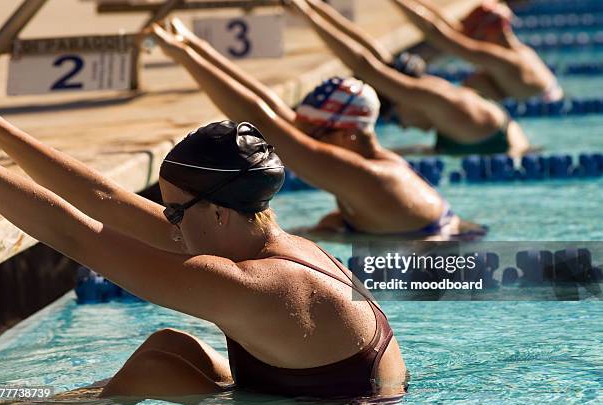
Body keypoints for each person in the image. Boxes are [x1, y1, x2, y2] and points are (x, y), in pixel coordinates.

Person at [0, 113, 408, 400]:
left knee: (154, 372)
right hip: (313, 393)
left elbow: (76, 237)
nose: (169, 222)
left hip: (332, 403)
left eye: (174, 211)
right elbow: (107, 199)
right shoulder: (269, 244)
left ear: (219, 212)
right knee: (170, 348)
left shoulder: (251, 285)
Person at [149, 20, 485, 238]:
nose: (303, 139)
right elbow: (270, 108)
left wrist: (182, 55)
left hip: (442, 265)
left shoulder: (372, 177)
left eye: (314, 133)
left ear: (349, 132)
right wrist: (191, 45)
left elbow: (263, 120)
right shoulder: (355, 152)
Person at [287, 0, 531, 156]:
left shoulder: (438, 99)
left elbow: (364, 66)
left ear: (403, 97)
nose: (402, 126)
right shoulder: (438, 100)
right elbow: (374, 56)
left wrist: (307, 14)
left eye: (394, 118)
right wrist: (311, 7)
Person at [389, 0, 563, 102]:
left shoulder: (503, 59)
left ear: (489, 32)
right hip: (545, 105)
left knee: (475, 82)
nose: (476, 40)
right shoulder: (521, 51)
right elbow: (453, 31)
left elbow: (442, 37)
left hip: (536, 111)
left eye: (478, 35)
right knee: (477, 81)